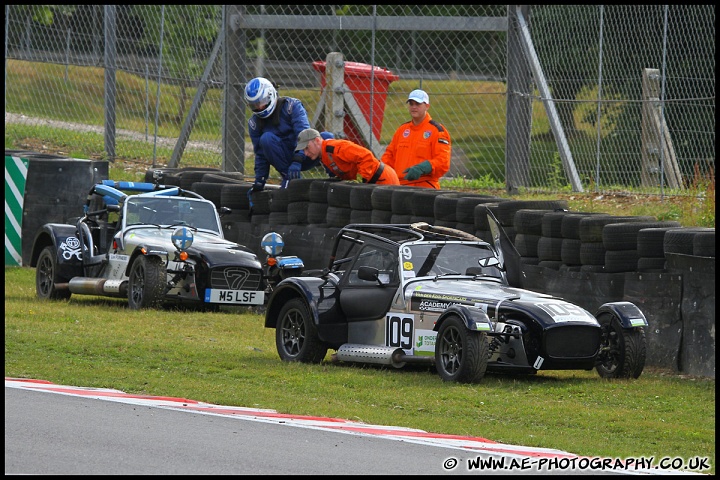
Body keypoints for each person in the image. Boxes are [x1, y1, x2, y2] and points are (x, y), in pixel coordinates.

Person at [243, 77, 333, 191]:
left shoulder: (292, 106)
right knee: (266, 139)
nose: (259, 107)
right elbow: (261, 154)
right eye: (254, 105)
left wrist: (298, 160)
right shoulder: (254, 123)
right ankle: (289, 178)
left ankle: (334, 176)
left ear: (271, 94)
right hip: (284, 160)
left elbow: (305, 134)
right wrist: (260, 179)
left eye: (262, 102)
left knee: (327, 138)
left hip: (305, 154)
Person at [381, 89, 452, 189]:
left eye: (418, 104)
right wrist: (379, 173)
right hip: (399, 186)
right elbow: (389, 156)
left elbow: (443, 162)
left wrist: (423, 168)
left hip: (425, 186)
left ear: (427, 106)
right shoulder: (402, 130)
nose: (414, 107)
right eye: (411, 103)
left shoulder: (437, 131)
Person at [296, 128, 400, 185]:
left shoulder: (335, 147)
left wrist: (360, 181)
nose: (305, 153)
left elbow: (365, 156)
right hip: (373, 182)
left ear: (317, 141)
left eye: (307, 148)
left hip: (382, 179)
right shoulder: (323, 155)